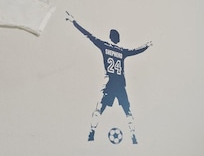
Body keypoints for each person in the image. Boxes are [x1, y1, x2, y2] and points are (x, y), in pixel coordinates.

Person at [65, 12, 151, 144]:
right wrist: (146, 46)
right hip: (120, 84)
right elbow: (135, 51)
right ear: (119, 39)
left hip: (110, 83)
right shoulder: (122, 51)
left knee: (100, 108)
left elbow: (89, 35)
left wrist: (74, 22)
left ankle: (92, 132)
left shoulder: (104, 46)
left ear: (110, 37)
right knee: (127, 110)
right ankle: (133, 135)